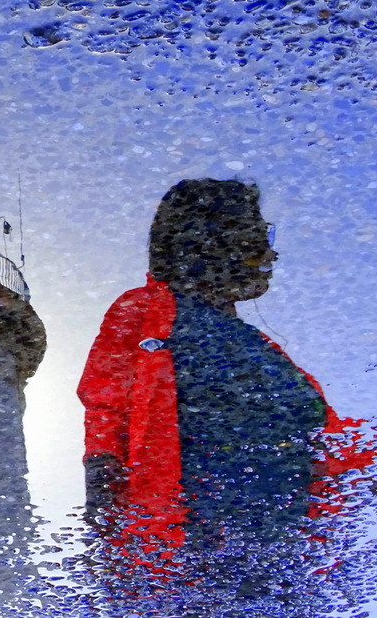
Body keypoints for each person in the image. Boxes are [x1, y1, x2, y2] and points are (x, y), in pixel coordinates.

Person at [77, 179, 369, 595]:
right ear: (214, 239)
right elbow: (105, 408)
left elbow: (333, 447)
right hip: (190, 555)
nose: (272, 252)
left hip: (282, 563)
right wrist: (106, 523)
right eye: (261, 235)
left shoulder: (269, 355)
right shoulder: (144, 312)